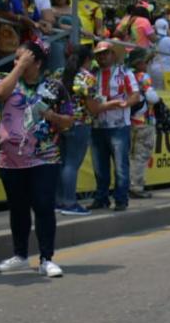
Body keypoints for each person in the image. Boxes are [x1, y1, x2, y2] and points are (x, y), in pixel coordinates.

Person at [0, 42, 70, 278]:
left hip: (44, 158)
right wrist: (19, 67)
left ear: (38, 63)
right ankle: (20, 256)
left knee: (44, 206)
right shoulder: (4, 79)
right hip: (10, 159)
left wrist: (52, 115)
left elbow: (69, 120)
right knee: (18, 208)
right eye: (15, 58)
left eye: (22, 59)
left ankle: (47, 259)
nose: (17, 62)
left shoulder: (55, 87)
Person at [90, 41, 140, 211]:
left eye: (105, 53)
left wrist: (125, 104)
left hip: (119, 126)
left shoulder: (124, 72)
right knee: (99, 167)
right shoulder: (92, 74)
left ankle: (121, 199)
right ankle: (102, 198)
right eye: (99, 54)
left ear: (113, 54)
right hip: (97, 126)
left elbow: (136, 95)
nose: (102, 56)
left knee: (120, 166)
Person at [55, 45, 101, 216]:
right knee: (72, 164)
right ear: (87, 60)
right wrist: (110, 105)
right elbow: (93, 107)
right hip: (80, 122)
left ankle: (59, 201)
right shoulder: (86, 77)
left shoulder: (59, 73)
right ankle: (69, 202)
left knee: (62, 162)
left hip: (60, 122)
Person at [127, 48, 160, 199]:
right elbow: (152, 98)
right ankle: (137, 186)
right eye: (146, 61)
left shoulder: (127, 75)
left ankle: (127, 185)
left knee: (129, 155)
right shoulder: (143, 76)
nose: (148, 64)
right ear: (140, 63)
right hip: (144, 121)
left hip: (129, 120)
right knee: (141, 155)